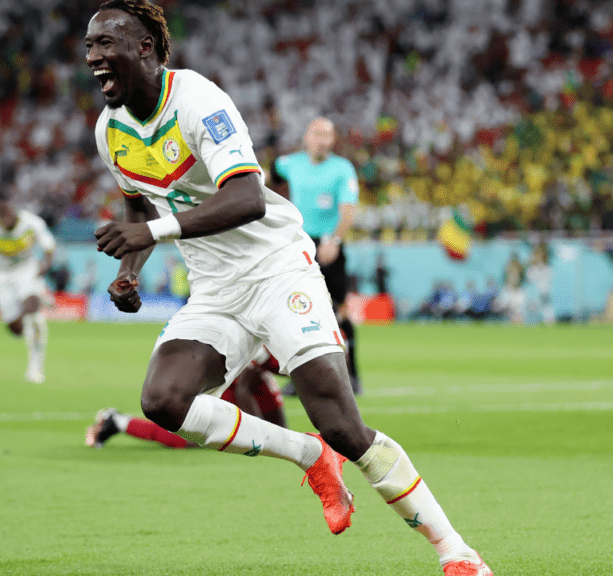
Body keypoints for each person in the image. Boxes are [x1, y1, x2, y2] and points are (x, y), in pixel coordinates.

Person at [85, 3, 492, 574]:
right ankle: (307, 454)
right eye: (89, 45)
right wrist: (129, 271)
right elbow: (138, 209)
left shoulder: (198, 101)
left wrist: (149, 232)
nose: (93, 56)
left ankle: (457, 552)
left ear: (145, 47)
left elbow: (248, 198)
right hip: (215, 289)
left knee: (342, 424)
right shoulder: (110, 131)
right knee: (164, 401)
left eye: (106, 42)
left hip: (278, 269)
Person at [272, 117, 363, 395]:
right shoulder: (291, 163)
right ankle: (302, 379)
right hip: (299, 245)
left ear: (333, 140)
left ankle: (351, 374)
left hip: (328, 243)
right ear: (307, 137)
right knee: (298, 310)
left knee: (339, 310)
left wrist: (334, 240)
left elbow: (349, 209)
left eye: (327, 135)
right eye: (317, 134)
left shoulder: (342, 168)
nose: (322, 140)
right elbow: (267, 174)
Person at [87, 350, 287, 448]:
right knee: (190, 438)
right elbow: (243, 389)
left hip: (249, 381)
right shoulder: (263, 347)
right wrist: (255, 434)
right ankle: (117, 421)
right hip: (223, 384)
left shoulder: (280, 345)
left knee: (278, 427)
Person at [0, 188, 56, 383]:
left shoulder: (32, 223)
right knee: (16, 329)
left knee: (34, 318)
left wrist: (44, 266)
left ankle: (35, 367)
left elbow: (49, 248)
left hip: (26, 268)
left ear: (14, 210)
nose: (4, 218)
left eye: (7, 212)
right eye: (0, 215)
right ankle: (36, 300)